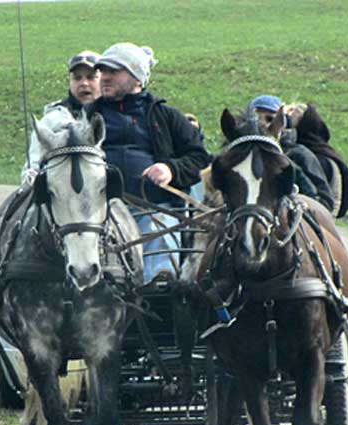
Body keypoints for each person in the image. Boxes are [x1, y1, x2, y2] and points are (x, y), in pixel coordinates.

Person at [92, 42, 210, 282]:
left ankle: (160, 293)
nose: (104, 77)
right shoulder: (86, 115)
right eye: (103, 71)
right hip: (97, 213)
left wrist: (170, 169)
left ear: (137, 77)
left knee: (160, 231)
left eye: (114, 72)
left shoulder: (167, 116)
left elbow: (200, 159)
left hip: (155, 210)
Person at [21, 50, 102, 185]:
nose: (84, 83)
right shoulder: (52, 119)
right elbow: (32, 164)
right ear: (69, 81)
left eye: (91, 77)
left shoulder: (111, 116)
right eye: (77, 78)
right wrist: (32, 178)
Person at [249, 94, 336, 214]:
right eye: (256, 120)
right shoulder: (241, 154)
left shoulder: (299, 154)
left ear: (282, 123)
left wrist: (292, 172)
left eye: (270, 119)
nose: (263, 125)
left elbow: (325, 203)